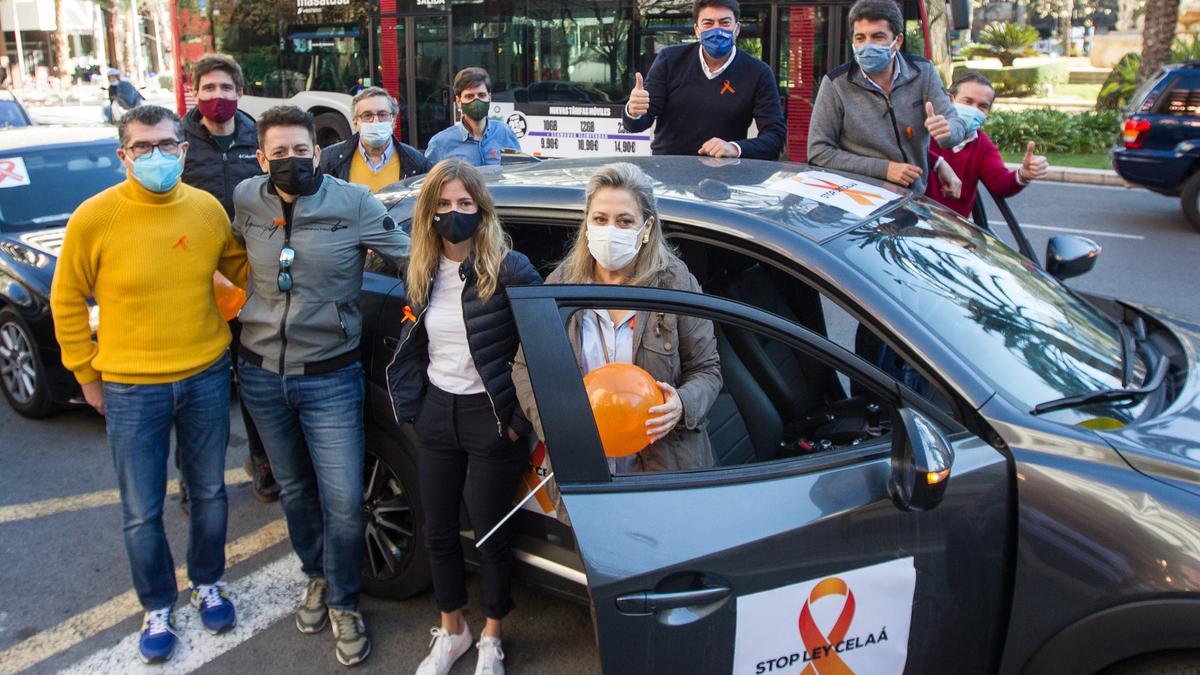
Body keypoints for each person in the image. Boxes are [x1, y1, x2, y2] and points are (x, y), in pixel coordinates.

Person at [49, 104, 245, 664]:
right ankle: (157, 604)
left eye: (166, 145)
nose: (156, 157)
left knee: (208, 493)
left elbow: (237, 268)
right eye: (142, 148)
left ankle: (208, 581)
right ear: (124, 156)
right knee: (140, 509)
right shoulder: (95, 217)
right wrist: (86, 373)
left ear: (184, 151)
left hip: (206, 375)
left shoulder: (206, 209)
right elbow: (65, 299)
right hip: (131, 388)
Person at [231, 105, 411, 667]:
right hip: (260, 373)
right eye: (278, 153)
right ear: (261, 158)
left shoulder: (353, 202)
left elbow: (412, 257)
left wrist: (484, 275)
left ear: (319, 150)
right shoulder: (244, 200)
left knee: (341, 499)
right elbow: (223, 258)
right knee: (294, 489)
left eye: (300, 150)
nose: (291, 161)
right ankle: (315, 577)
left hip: (331, 374)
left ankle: (345, 602)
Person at [385, 159, 541, 675]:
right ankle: (452, 628)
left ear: (481, 209)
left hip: (492, 417)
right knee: (438, 530)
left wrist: (517, 417)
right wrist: (412, 405)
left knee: (492, 531)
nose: (455, 214)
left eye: (465, 204)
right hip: (437, 412)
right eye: (444, 205)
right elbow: (410, 345)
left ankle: (493, 635)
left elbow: (540, 351)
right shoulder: (423, 270)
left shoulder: (510, 268)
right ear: (430, 213)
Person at [513, 162, 723, 476]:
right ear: (587, 223)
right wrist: (556, 426)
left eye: (625, 221)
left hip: (663, 470)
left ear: (647, 228)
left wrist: (682, 404)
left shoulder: (676, 284)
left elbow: (708, 370)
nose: (611, 230)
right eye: (600, 219)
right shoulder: (562, 284)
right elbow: (524, 367)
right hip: (584, 470)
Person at [180, 53, 280, 505]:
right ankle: (194, 474)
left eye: (225, 89)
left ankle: (262, 461)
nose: (217, 97)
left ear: (239, 93)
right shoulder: (179, 142)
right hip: (195, 282)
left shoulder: (255, 137)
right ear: (194, 92)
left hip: (248, 279)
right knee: (201, 386)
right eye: (208, 89)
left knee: (255, 378)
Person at [807, 0, 964, 194]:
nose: (867, 45)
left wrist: (948, 131)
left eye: (878, 36)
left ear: (897, 41)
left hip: (911, 199)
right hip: (859, 200)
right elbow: (818, 153)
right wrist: (884, 169)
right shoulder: (836, 84)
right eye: (860, 38)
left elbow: (955, 124)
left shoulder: (923, 72)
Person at [622, 0, 785, 159]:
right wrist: (634, 112)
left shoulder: (758, 72)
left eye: (724, 22)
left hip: (725, 174)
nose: (717, 30)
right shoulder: (670, 60)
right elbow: (636, 125)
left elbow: (775, 138)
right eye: (708, 23)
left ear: (737, 29)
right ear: (697, 30)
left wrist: (735, 148)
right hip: (669, 173)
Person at [926, 72, 1050, 217]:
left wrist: (1024, 174)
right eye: (968, 101)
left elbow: (1000, 183)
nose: (974, 110)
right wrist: (938, 163)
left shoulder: (983, 145)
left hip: (952, 230)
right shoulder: (926, 129)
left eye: (982, 106)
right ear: (949, 100)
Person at [318, 86, 431, 192]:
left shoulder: (417, 163)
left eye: (382, 114)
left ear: (393, 121)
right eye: (367, 115)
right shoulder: (329, 160)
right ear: (356, 123)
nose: (376, 121)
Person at [425, 67, 521, 166]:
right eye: (469, 96)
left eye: (481, 95)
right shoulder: (440, 143)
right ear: (458, 101)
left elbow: (519, 172)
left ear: (489, 97)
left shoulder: (505, 133)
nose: (476, 101)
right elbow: (429, 180)